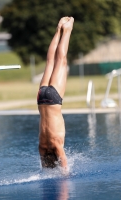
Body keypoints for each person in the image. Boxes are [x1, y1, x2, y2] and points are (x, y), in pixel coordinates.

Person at [37, 17, 74, 170]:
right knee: (50, 62)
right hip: (41, 98)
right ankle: (58, 29)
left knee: (62, 61)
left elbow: (65, 169)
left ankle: (67, 30)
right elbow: (44, 167)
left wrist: (65, 173)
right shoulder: (42, 147)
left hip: (53, 99)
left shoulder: (56, 145)